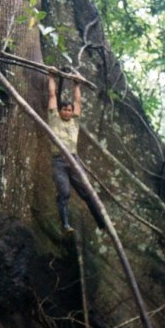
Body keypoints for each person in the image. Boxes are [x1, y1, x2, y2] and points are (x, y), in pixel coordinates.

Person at [47, 71, 107, 234]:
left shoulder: (75, 122)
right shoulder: (54, 119)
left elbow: (78, 101)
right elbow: (52, 96)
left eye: (69, 110)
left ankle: (103, 224)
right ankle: (65, 225)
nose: (67, 112)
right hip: (59, 161)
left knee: (87, 192)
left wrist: (77, 84)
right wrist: (51, 77)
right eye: (64, 110)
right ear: (59, 111)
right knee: (64, 193)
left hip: (73, 160)